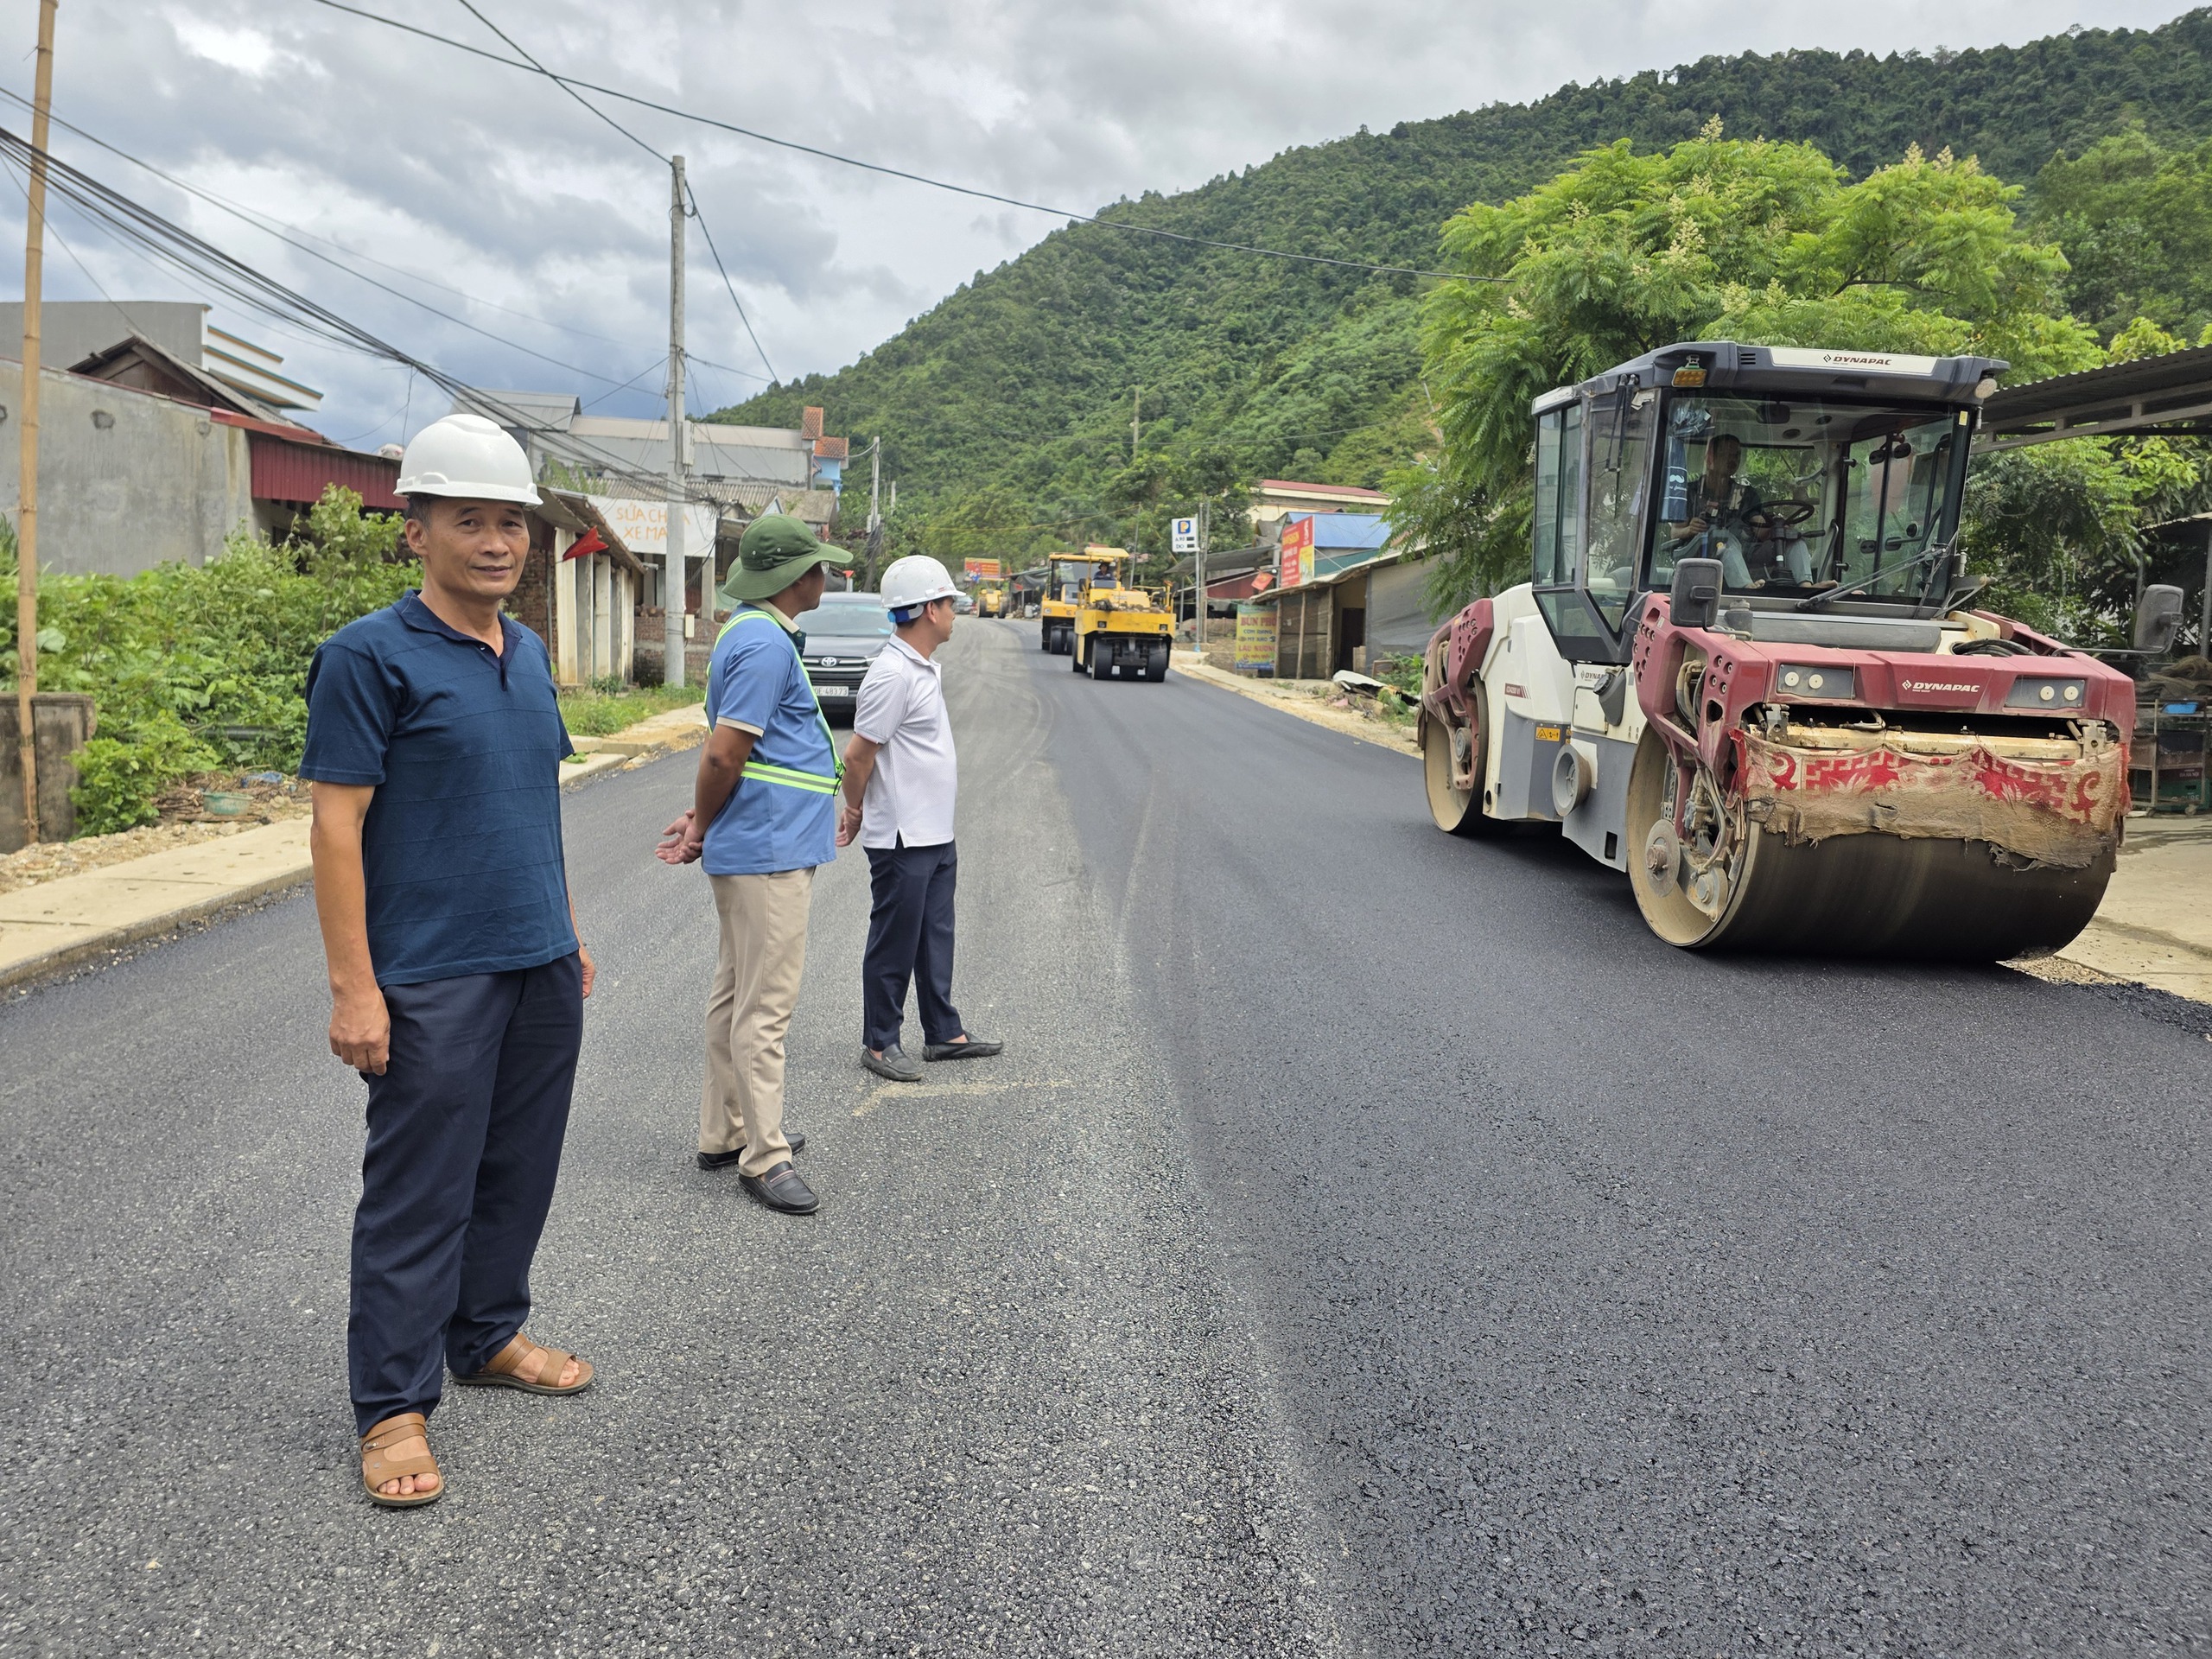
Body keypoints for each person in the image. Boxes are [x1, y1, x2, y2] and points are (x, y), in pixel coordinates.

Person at [302, 412, 596, 1510]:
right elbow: (336, 831)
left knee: (517, 1170)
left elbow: (530, 807)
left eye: (510, 523)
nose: (496, 542)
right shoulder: (366, 658)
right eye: (467, 520)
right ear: (415, 529)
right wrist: (355, 989)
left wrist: (564, 933)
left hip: (537, 966)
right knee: (417, 1193)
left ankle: (487, 1336)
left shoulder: (526, 654)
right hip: (430, 977)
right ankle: (390, 1404)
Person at [657, 514, 854, 1217]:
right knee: (765, 1007)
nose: (826, 576)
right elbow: (725, 754)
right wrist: (702, 822)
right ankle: (765, 1157)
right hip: (767, 853)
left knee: (734, 997)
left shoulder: (750, 632)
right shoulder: (767, 645)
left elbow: (734, 754)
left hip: (760, 845)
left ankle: (726, 1131)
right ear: (795, 577)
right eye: (819, 567)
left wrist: (702, 819)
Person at [838, 555, 1002, 1083]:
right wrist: (856, 809)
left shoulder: (919, 667)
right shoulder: (891, 674)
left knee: (934, 934)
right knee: (895, 939)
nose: (955, 611)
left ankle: (943, 1032)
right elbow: (858, 755)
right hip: (903, 835)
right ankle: (881, 1042)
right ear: (929, 609)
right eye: (950, 602)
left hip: (934, 831)